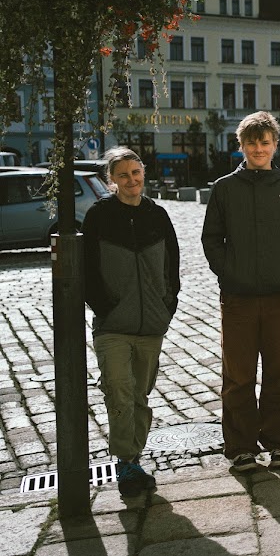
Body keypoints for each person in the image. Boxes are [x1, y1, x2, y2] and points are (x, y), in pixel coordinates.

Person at [201, 111, 280, 472]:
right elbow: (211, 240)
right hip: (238, 298)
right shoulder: (224, 188)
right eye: (252, 142)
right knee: (239, 375)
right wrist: (230, 273)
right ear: (241, 146)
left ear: (275, 145)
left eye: (265, 142)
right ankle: (242, 447)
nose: (259, 148)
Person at [83, 147, 180, 497]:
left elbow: (172, 264)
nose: (131, 180)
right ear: (112, 180)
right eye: (123, 175)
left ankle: (133, 457)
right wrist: (105, 306)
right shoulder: (98, 216)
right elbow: (88, 270)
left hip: (151, 324)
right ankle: (125, 461)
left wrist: (167, 304)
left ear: (143, 174)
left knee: (140, 394)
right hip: (112, 325)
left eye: (136, 173)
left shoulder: (158, 215)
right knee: (120, 391)